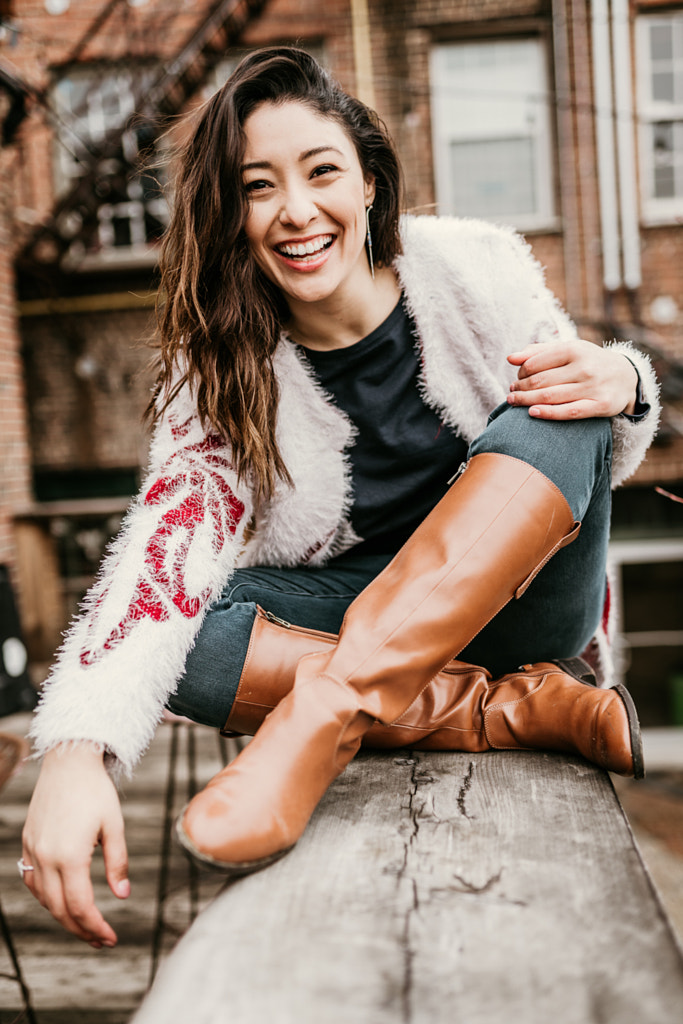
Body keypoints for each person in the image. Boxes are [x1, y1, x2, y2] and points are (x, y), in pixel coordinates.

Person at [21, 47, 659, 946]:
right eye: (257, 186)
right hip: (354, 611)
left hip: (526, 609)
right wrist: (77, 749)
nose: (295, 210)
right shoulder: (216, 370)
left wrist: (622, 380)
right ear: (231, 215)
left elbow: (595, 435)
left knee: (554, 403)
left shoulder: (474, 269)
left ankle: (329, 714)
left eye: (321, 172)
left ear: (367, 182)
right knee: (189, 641)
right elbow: (163, 553)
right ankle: (505, 707)